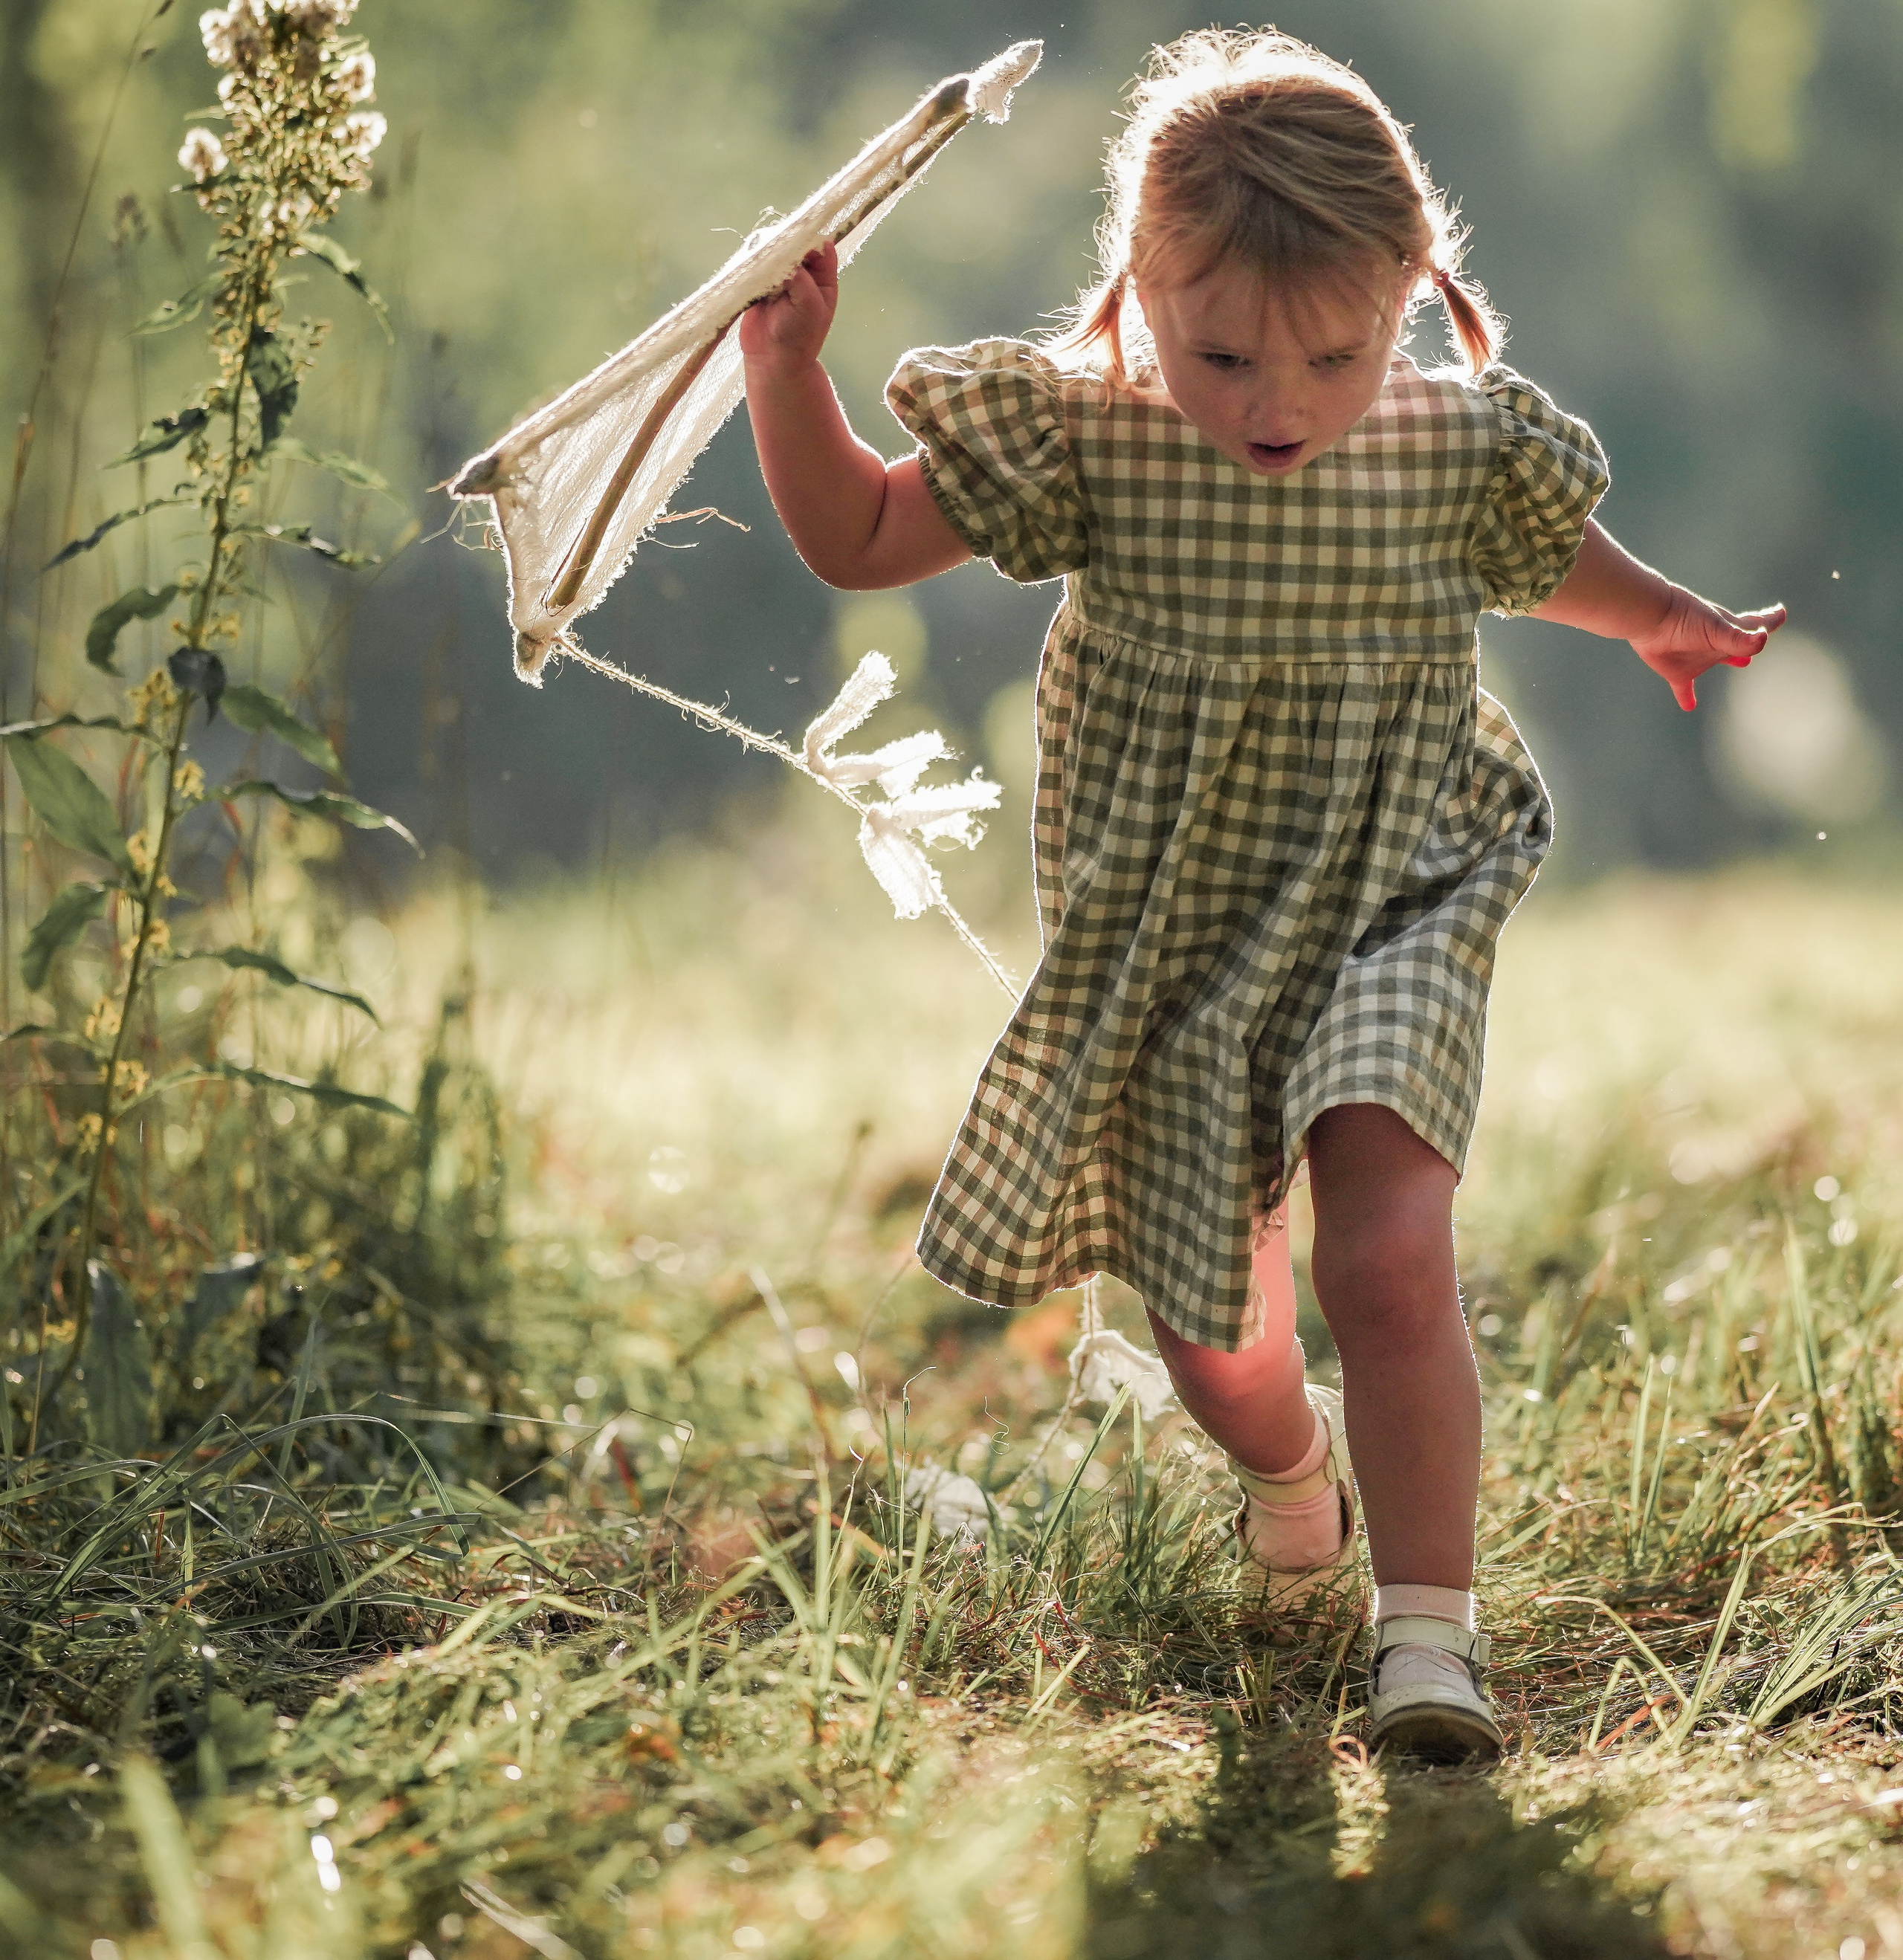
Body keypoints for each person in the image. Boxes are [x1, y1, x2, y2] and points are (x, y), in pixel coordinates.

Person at [739, 28, 1783, 1762]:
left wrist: (1661, 614)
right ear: (1136, 290)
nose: (1275, 404)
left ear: (1407, 294)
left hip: (1399, 885)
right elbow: (854, 536)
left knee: (1385, 1253)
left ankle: (1427, 1643)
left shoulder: (1450, 450)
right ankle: (1293, 1483)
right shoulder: (1088, 443)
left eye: (1332, 353)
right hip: (1178, 936)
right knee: (1216, 1338)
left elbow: (1555, 562)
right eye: (1218, 351)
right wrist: (788, 373)